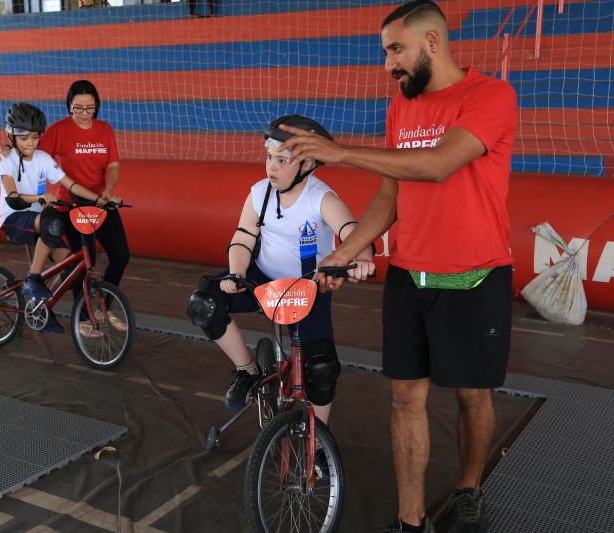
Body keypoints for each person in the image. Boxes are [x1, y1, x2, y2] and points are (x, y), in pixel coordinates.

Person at [279, 2, 517, 532]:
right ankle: (411, 520)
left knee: (473, 395)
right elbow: (390, 197)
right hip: (411, 276)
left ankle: (470, 484)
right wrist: (342, 253)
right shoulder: (400, 107)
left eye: (396, 49)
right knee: (405, 396)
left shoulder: (490, 96)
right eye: (385, 51)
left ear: (432, 42)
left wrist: (339, 154)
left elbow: (436, 165)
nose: (388, 63)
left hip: (476, 277)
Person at [187, 114, 375, 425]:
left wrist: (361, 259)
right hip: (263, 282)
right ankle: (247, 371)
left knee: (321, 369)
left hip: (307, 289)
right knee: (204, 303)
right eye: (269, 157)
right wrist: (236, 274)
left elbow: (353, 231)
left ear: (307, 165)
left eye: (282, 160)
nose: (271, 167)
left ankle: (319, 443)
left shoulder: (320, 197)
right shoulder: (260, 192)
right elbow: (244, 236)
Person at [0, 80, 130, 336]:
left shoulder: (104, 130)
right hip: (66, 208)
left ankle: (100, 307)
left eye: (89, 108)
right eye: (77, 108)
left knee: (116, 256)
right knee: (82, 260)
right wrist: (6, 148)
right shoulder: (57, 131)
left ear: (97, 107)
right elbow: (25, 152)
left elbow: (110, 166)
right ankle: (82, 316)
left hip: (98, 200)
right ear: (69, 106)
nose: (83, 113)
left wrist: (105, 195)